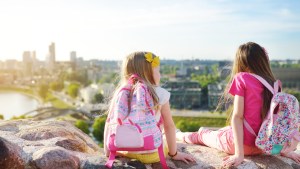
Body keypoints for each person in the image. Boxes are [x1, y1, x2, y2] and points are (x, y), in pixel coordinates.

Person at [176, 42, 300, 167]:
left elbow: (238, 117)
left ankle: (180, 135)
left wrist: (239, 154)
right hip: (264, 147)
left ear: (241, 62)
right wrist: (284, 151)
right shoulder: (274, 84)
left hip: (240, 146)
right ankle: (209, 132)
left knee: (202, 136)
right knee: (224, 131)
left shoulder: (242, 78)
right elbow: (275, 122)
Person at [104, 51, 195, 164]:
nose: (160, 74)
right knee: (164, 138)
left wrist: (108, 152)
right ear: (149, 73)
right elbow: (169, 126)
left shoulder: (120, 94)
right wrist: (174, 154)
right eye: (158, 70)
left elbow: (109, 123)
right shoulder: (159, 93)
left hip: (126, 151)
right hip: (152, 154)